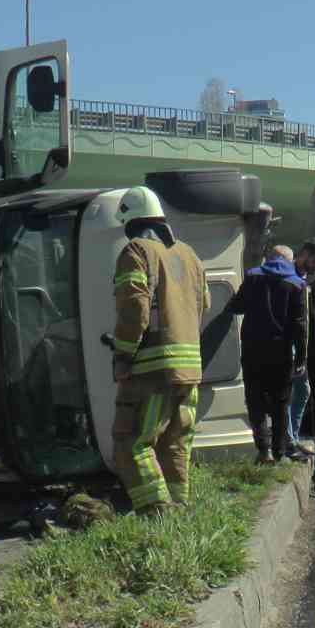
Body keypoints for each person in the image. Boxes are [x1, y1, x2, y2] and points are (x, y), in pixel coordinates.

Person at [110, 186, 211, 514]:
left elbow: (134, 308)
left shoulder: (136, 251)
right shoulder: (189, 255)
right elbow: (204, 304)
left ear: (131, 222)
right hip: (190, 370)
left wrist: (123, 355)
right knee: (175, 443)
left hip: (152, 371)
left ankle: (158, 515)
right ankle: (180, 510)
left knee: (133, 443)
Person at [225, 244, 307, 464]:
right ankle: (279, 452)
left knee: (256, 401)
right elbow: (300, 326)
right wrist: (301, 357)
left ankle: (264, 451)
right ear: (290, 261)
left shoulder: (252, 277)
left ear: (269, 258)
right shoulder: (296, 284)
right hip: (281, 353)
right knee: (281, 404)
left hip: (253, 350)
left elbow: (236, 307)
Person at [286, 238, 315, 460]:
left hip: (300, 346)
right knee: (288, 393)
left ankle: (292, 438)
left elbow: (308, 307)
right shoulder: (288, 276)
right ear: (304, 254)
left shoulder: (303, 279)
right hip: (287, 345)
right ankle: (289, 442)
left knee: (303, 391)